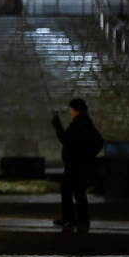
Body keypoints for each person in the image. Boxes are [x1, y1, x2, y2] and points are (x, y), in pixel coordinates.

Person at [52, 98, 103, 230]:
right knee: (75, 190)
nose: (70, 112)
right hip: (77, 162)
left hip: (75, 163)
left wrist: (58, 127)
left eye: (71, 110)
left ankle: (73, 218)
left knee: (71, 190)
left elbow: (66, 140)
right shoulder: (84, 124)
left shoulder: (79, 125)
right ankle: (78, 219)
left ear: (77, 110)